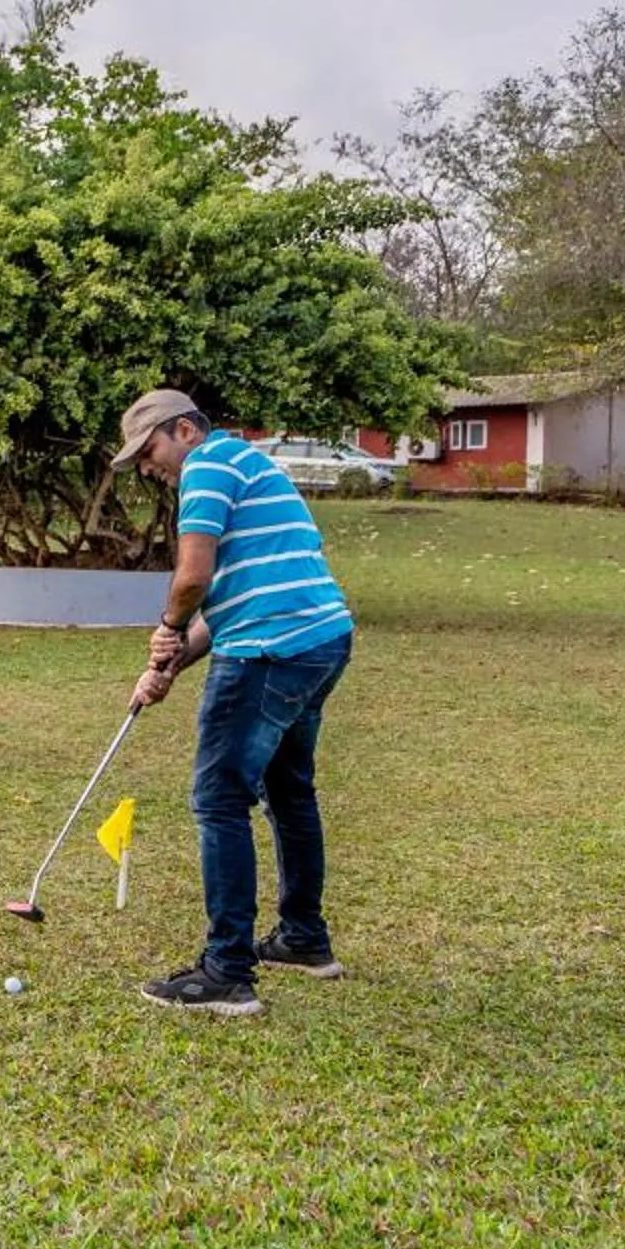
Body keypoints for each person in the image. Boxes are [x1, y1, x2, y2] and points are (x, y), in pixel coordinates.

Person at [113, 388, 355, 1016]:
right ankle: (305, 940)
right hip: (319, 639)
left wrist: (168, 626)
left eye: (149, 449)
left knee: (219, 799)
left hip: (270, 651)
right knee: (290, 791)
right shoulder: (250, 463)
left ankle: (227, 973)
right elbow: (241, 596)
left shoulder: (207, 468)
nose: (147, 467)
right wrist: (170, 666)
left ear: (186, 430)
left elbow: (194, 578)